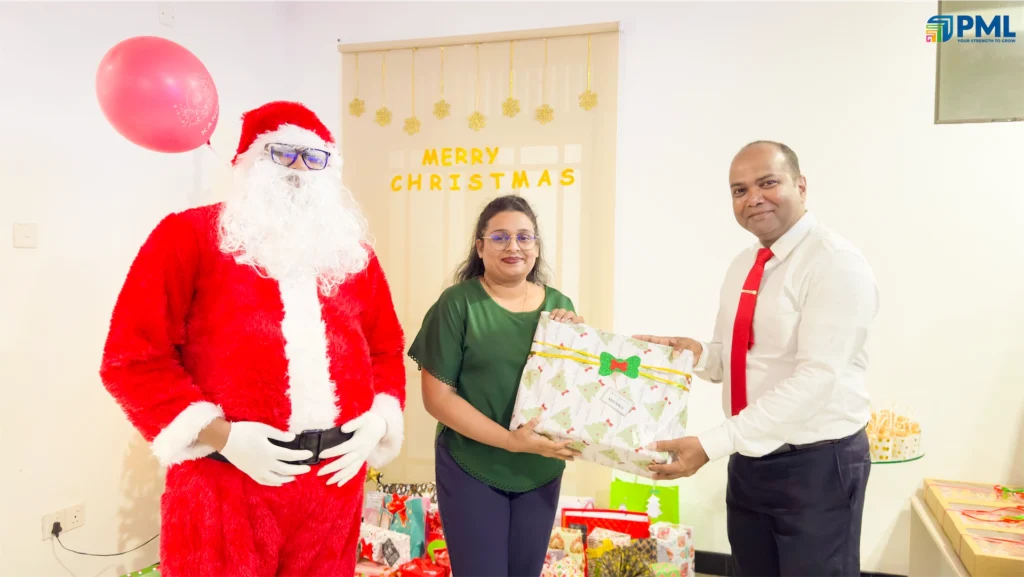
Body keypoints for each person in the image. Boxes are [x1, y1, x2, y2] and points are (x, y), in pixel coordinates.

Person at [99, 101, 407, 577]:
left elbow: (385, 349)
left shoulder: (351, 255)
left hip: (333, 486)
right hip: (225, 484)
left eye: (314, 158)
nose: (299, 170)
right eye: (283, 154)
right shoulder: (189, 236)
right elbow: (132, 359)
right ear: (249, 161)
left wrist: (378, 423)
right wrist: (223, 438)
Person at [635, 141, 878, 577]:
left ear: (801, 186)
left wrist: (711, 445)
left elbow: (816, 379)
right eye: (739, 190)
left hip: (817, 464)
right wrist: (694, 356)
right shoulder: (744, 265)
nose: (753, 199)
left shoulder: (834, 263)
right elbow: (739, 356)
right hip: (750, 458)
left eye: (768, 183)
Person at [407, 194, 584, 577]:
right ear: (480, 247)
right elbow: (437, 399)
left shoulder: (559, 307)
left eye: (524, 237)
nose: (513, 246)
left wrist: (578, 344)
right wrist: (509, 441)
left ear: (536, 247)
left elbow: (573, 394)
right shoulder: (457, 305)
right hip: (472, 465)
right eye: (500, 237)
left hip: (539, 468)